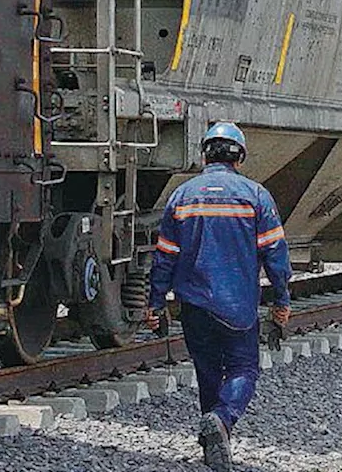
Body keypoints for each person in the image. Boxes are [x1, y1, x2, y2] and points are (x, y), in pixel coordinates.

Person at [146, 122, 292, 472]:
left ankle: (214, 445)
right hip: (237, 306)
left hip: (194, 306)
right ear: (239, 157)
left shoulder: (182, 197)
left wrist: (154, 304)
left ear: (203, 154)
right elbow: (275, 254)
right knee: (244, 369)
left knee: (207, 371)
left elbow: (164, 257)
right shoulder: (255, 196)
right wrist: (282, 301)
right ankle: (222, 420)